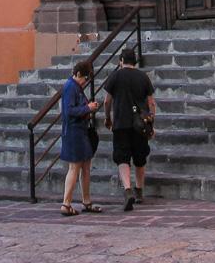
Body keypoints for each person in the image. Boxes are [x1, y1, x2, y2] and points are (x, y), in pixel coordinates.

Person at [103, 47, 156, 211]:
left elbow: (106, 101)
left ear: (121, 61)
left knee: (122, 157)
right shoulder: (143, 77)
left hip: (120, 122)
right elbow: (151, 102)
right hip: (139, 124)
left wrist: (107, 118)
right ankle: (139, 190)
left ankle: (127, 190)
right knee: (140, 157)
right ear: (135, 61)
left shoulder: (115, 76)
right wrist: (151, 122)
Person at [59, 59, 102, 216]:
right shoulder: (71, 87)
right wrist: (87, 108)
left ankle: (86, 200)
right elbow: (69, 111)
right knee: (74, 167)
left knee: (85, 167)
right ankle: (66, 203)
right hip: (74, 132)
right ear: (78, 74)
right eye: (84, 79)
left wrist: (87, 108)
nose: (85, 82)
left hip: (79, 132)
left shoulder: (74, 86)